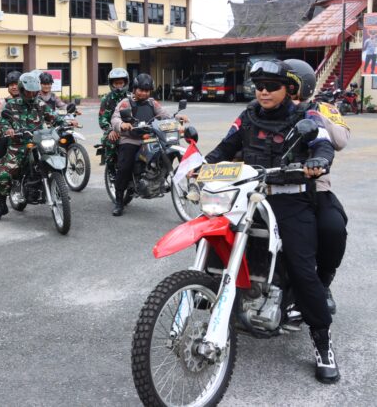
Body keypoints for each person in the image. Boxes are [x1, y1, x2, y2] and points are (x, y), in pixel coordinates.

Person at [204, 59, 339, 384]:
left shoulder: (306, 116)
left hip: (290, 199)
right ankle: (207, 297)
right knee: (211, 240)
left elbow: (323, 143)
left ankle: (322, 341)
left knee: (303, 269)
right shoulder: (247, 116)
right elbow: (225, 147)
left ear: (289, 90)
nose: (262, 92)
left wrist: (319, 159)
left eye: (271, 86)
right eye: (259, 86)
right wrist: (201, 164)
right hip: (247, 195)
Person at [286, 59, 348, 316]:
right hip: (269, 184)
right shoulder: (265, 107)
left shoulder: (323, 109)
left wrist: (316, 114)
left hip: (314, 186)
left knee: (332, 227)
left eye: (289, 85)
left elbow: (341, 140)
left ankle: (323, 282)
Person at [0, 72, 67, 222]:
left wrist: (64, 123)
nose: (31, 94)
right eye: (28, 91)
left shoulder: (40, 104)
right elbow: (4, 121)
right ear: (22, 90)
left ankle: (61, 191)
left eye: (34, 91)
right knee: (5, 174)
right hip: (18, 144)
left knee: (60, 155)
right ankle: (1, 206)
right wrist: (8, 129)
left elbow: (53, 116)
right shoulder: (12, 104)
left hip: (39, 141)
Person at [109, 73, 188, 216]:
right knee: (124, 166)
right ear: (135, 89)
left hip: (150, 137)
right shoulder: (126, 103)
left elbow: (164, 115)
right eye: (141, 90)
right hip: (131, 138)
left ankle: (160, 176)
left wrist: (176, 117)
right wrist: (122, 124)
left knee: (168, 148)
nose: (144, 93)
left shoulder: (152, 103)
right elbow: (115, 118)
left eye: (147, 91)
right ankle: (119, 200)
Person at [98, 68, 130, 166]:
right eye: (116, 83)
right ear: (112, 84)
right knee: (111, 141)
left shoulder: (131, 97)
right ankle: (110, 168)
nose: (119, 86)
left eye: (121, 83)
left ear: (126, 83)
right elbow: (102, 119)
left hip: (130, 128)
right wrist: (110, 130)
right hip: (113, 130)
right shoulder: (106, 99)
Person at [0, 71, 21, 164]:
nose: (14, 87)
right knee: (0, 144)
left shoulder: (30, 99)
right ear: (8, 87)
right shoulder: (5, 102)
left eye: (16, 84)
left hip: (30, 133)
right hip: (11, 134)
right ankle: (2, 168)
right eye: (11, 85)